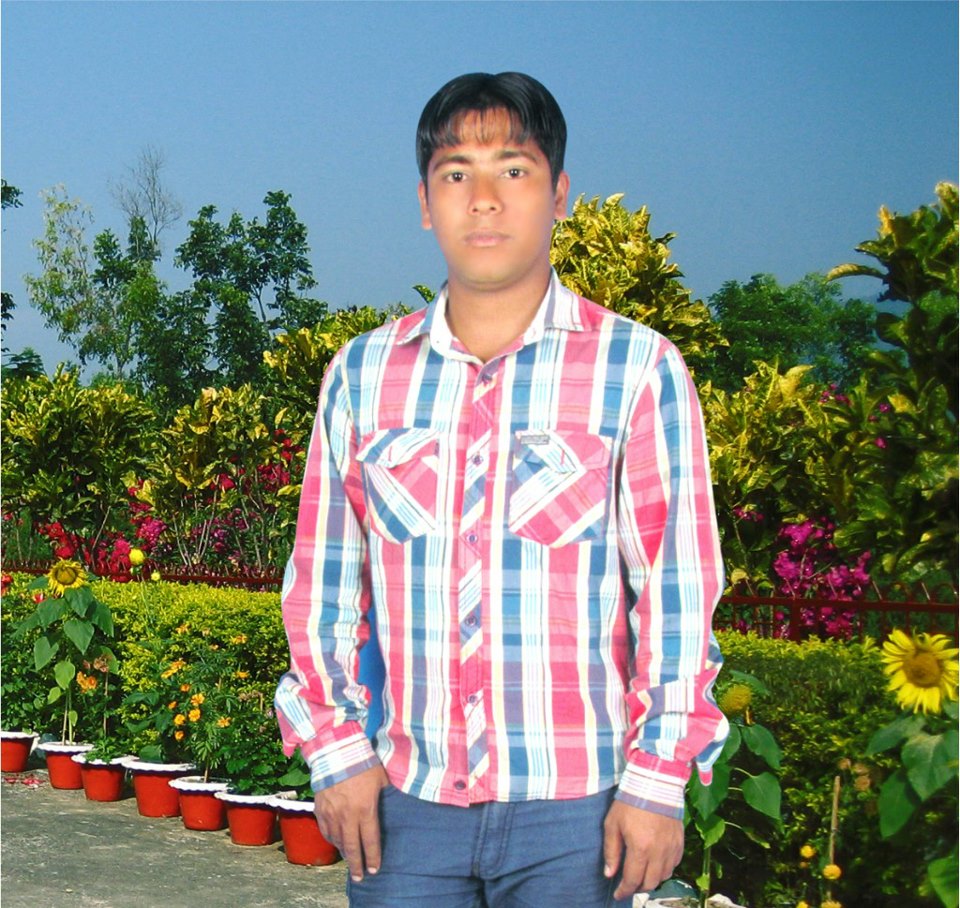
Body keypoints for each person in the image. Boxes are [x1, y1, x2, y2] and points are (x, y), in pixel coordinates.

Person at [275, 71, 728, 906]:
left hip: (581, 814)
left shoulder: (636, 370)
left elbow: (676, 592)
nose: (483, 198)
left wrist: (658, 781)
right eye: (456, 173)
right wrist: (335, 753)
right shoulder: (364, 376)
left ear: (559, 194)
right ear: (425, 202)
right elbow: (323, 587)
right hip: (404, 807)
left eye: (513, 169)